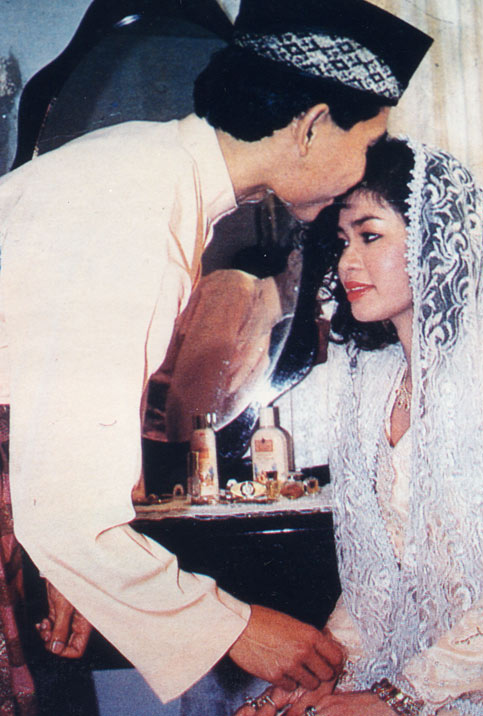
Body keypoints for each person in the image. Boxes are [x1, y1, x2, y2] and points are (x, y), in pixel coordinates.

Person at [0, 0, 432, 706]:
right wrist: (237, 627)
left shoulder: (145, 166)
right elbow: (67, 512)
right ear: (312, 126)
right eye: (369, 139)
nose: (365, 168)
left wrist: (79, 563)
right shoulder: (136, 211)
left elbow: (55, 466)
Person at [235, 136, 483, 715]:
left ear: (436, 240)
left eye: (370, 236)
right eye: (342, 241)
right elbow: (375, 585)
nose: (347, 262)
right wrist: (313, 680)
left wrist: (396, 698)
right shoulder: (376, 382)